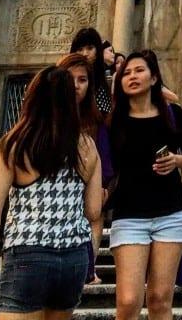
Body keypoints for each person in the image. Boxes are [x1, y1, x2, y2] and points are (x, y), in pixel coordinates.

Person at [0, 65, 102, 320]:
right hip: (74, 256)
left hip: (28, 251)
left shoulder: (15, 143)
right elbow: (93, 210)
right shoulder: (87, 145)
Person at [109, 50, 182, 320]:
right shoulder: (114, 120)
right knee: (128, 301)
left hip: (170, 213)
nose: (132, 76)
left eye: (139, 70)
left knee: (160, 300)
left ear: (154, 77)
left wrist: (177, 160)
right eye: (126, 73)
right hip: (129, 216)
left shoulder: (172, 114)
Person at [57, 51, 113, 284]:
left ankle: (89, 266)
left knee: (95, 214)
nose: (77, 86)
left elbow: (103, 154)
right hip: (54, 188)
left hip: (88, 180)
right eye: (71, 79)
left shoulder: (94, 118)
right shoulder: (47, 116)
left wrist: (104, 185)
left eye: (83, 80)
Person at [70, 27, 113, 115]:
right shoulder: (64, 75)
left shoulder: (101, 82)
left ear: (97, 51)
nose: (85, 53)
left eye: (90, 48)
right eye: (80, 49)